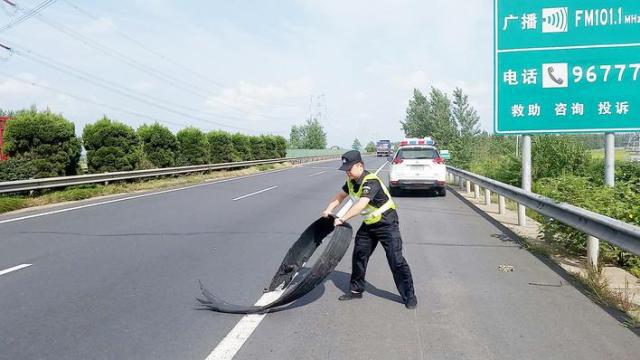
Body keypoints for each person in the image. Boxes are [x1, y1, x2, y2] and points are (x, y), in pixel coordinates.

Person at [322, 150, 417, 309]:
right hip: (369, 223)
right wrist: (328, 209)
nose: (347, 172)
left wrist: (342, 218)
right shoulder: (351, 181)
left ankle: (410, 296)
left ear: (360, 165)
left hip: (387, 222)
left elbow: (361, 205)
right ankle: (356, 290)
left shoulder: (370, 181)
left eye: (349, 168)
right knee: (359, 253)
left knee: (396, 260)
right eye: (345, 169)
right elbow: (339, 196)